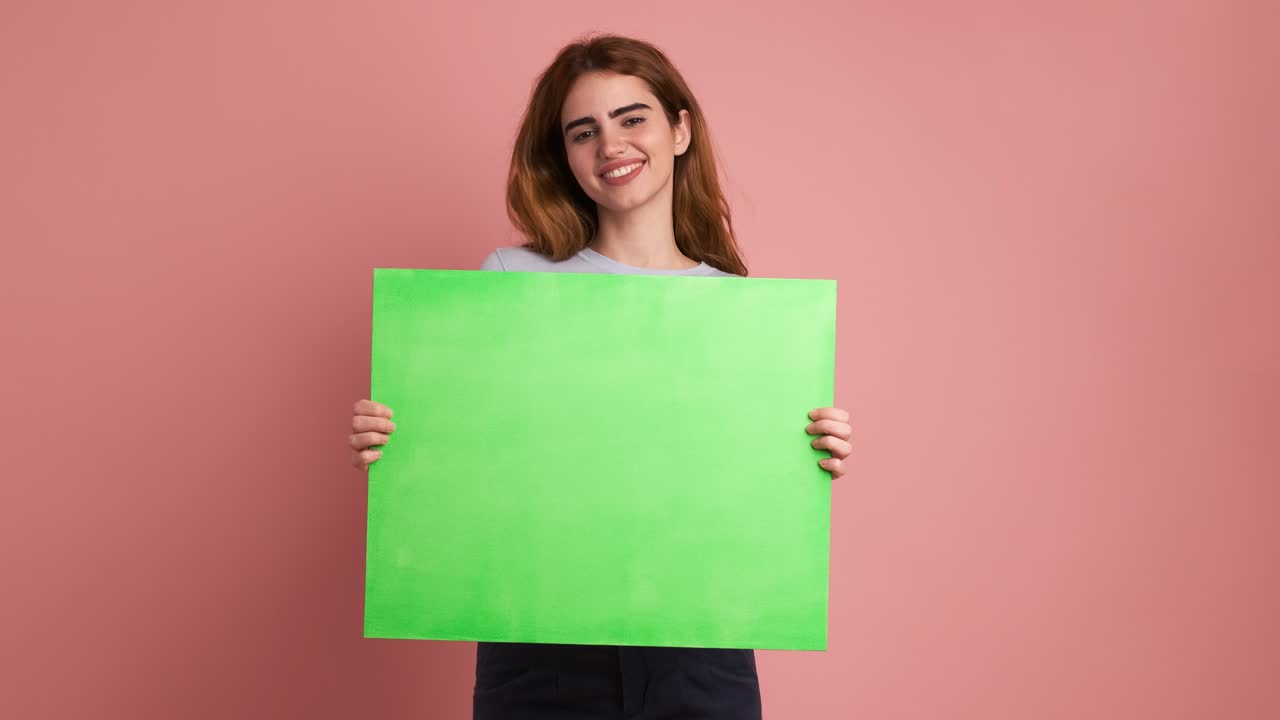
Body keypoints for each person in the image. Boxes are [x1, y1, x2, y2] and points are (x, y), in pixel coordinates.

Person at [349, 33, 852, 720]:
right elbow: (473, 461)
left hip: (700, 650)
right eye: (583, 131)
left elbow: (734, 489)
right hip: (540, 648)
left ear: (679, 130)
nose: (610, 145)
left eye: (632, 118)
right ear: (565, 157)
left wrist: (810, 451)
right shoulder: (511, 280)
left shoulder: (738, 306)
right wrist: (398, 439)